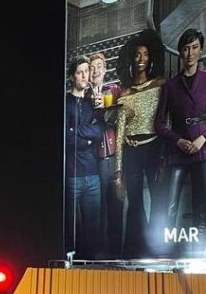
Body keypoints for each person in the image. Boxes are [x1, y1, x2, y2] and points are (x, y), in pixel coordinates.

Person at [155, 29, 206, 246]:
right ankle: (167, 257)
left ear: (200, 49)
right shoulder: (170, 85)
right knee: (169, 208)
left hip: (204, 150)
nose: (190, 53)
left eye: (195, 47)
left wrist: (204, 139)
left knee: (201, 210)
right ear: (180, 52)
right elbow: (159, 123)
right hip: (177, 150)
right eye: (186, 48)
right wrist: (177, 140)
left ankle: (200, 255)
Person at [112, 31, 166, 258]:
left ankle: (159, 249)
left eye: (145, 54)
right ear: (132, 59)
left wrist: (165, 152)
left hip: (154, 148)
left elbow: (165, 118)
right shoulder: (124, 92)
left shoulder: (161, 84)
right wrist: (117, 172)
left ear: (151, 58)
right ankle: (136, 251)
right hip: (132, 150)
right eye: (137, 55)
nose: (141, 58)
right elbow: (120, 130)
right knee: (134, 202)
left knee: (158, 198)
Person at [65, 55, 105, 261]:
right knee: (71, 228)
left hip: (93, 176)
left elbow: (99, 131)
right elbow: (66, 137)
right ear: (72, 76)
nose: (84, 75)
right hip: (72, 175)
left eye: (86, 71)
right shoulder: (65, 102)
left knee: (93, 229)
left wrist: (79, 131)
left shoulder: (93, 102)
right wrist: (86, 136)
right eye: (79, 72)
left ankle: (92, 267)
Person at [87, 52, 123, 258]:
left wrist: (107, 108)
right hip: (95, 160)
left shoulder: (115, 90)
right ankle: (100, 258)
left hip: (116, 157)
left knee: (116, 208)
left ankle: (118, 255)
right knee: (98, 212)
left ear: (105, 68)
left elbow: (122, 118)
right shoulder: (84, 96)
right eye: (92, 67)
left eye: (99, 66)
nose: (96, 70)